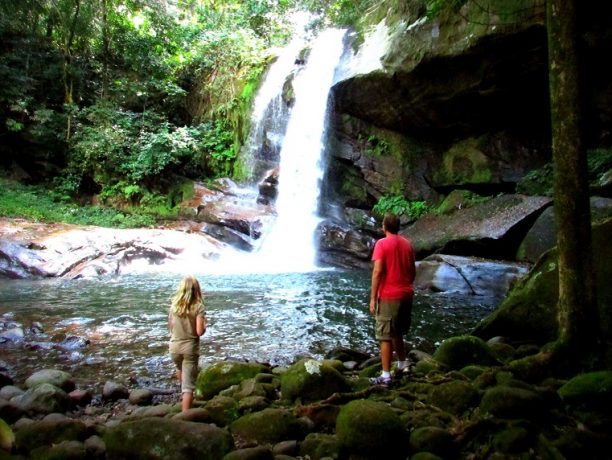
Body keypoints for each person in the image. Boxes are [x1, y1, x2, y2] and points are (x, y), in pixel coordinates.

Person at [369, 213, 416, 387]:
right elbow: (412, 270)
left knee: (385, 336)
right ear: (398, 227)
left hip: (389, 295)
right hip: (406, 293)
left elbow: (377, 271)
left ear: (384, 227)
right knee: (398, 331)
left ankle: (386, 376)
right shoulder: (407, 244)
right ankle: (403, 364)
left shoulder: (381, 244)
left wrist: (373, 298)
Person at [168, 275, 207, 412]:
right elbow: (199, 331)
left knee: (180, 370)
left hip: (174, 346)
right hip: (189, 348)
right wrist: (205, 325)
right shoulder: (198, 307)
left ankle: (185, 397)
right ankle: (185, 416)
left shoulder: (174, 306)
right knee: (189, 385)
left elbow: (171, 327)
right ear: (197, 290)